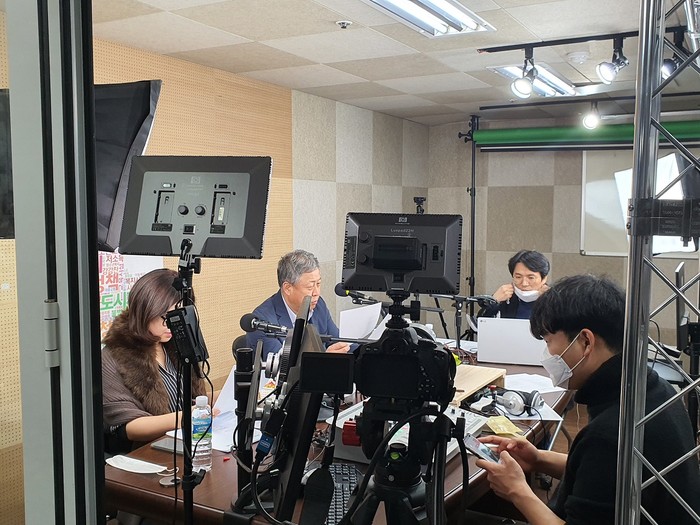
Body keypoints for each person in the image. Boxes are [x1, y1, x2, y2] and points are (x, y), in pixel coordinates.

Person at [475, 274, 700, 525]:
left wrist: (518, 491)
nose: (547, 354)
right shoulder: (654, 390)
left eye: (549, 342)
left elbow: (604, 458)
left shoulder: (610, 434)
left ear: (585, 341)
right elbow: (604, 473)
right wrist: (538, 458)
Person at [102, 268, 207, 454]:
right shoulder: (113, 356)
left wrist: (233, 391)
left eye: (179, 316)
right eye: (165, 317)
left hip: (182, 446)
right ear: (145, 311)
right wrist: (188, 417)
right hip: (143, 456)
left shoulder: (175, 343)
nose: (172, 324)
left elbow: (193, 398)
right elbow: (130, 428)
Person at [246, 249, 350, 359]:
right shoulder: (262, 322)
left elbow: (338, 342)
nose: (316, 293)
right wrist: (324, 360)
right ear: (288, 288)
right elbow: (283, 366)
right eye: (310, 287)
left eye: (318, 284)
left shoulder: (318, 304)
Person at [481, 250, 550, 319]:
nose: (524, 283)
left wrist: (550, 300)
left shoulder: (552, 300)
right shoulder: (505, 297)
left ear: (544, 279)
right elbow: (480, 323)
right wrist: (493, 301)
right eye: (518, 277)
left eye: (531, 278)